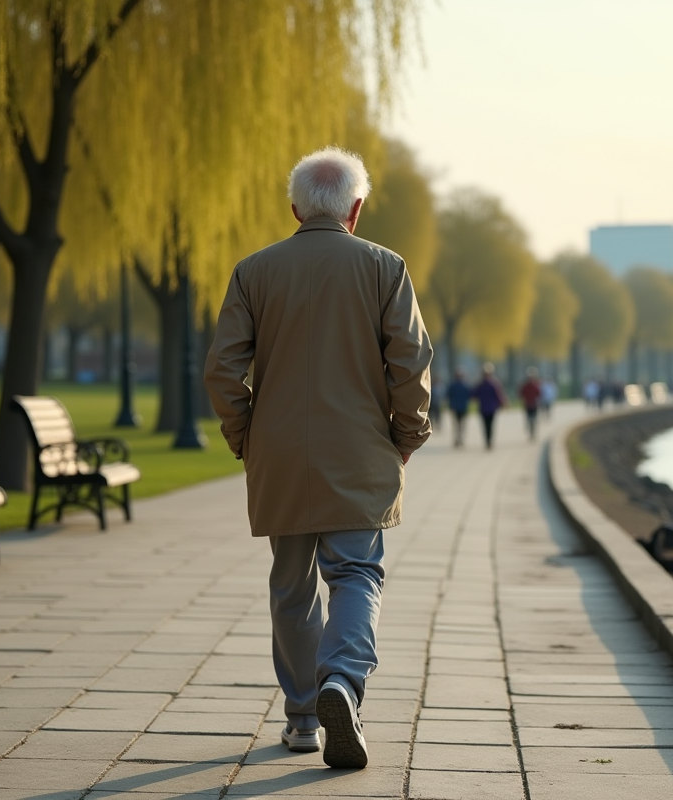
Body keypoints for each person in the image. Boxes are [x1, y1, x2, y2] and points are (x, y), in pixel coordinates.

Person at [204, 146, 432, 770]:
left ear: (295, 208)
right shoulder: (385, 268)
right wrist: (407, 436)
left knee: (292, 583)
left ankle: (304, 718)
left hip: (279, 455)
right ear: (356, 208)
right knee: (357, 573)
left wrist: (245, 438)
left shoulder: (254, 271)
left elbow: (223, 371)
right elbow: (410, 365)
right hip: (360, 451)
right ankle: (343, 681)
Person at [472, 363, 508, 450]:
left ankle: (487, 441)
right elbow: (499, 396)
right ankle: (489, 441)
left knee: (485, 425)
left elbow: (474, 395)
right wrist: (503, 402)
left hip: (484, 408)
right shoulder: (494, 384)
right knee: (490, 425)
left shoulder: (480, 384)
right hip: (491, 408)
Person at [446, 368, 472, 447]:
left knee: (456, 425)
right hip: (462, 407)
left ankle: (458, 439)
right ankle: (460, 439)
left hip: (456, 407)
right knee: (461, 424)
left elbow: (448, 396)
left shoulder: (452, 385)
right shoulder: (465, 385)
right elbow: (469, 396)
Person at [518, 367, 542, 441]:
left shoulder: (534, 385)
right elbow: (521, 394)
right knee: (529, 419)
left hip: (533, 404)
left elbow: (539, 394)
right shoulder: (527, 386)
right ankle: (531, 432)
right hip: (528, 404)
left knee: (533, 419)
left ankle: (533, 432)